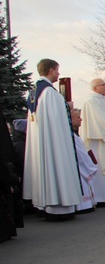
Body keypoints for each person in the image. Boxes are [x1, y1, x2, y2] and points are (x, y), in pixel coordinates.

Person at [23, 58, 81, 220]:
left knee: (44, 167)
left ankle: (44, 205)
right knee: (56, 165)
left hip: (41, 143)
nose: (58, 73)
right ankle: (60, 206)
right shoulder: (50, 93)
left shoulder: (34, 92)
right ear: (50, 71)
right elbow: (58, 121)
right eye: (57, 70)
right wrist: (67, 107)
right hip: (53, 144)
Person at [69, 108, 98, 213]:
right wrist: (91, 167)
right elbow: (81, 156)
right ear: (70, 120)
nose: (81, 119)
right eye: (78, 117)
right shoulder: (71, 136)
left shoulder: (75, 134)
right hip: (81, 169)